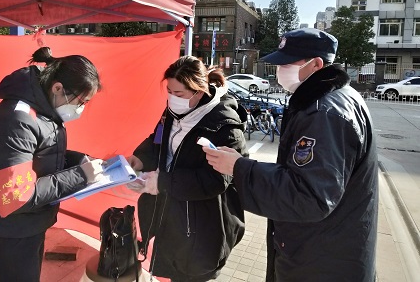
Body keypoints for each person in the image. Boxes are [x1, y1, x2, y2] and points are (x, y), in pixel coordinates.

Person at [203, 28, 378, 282]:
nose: (280, 70)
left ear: (316, 64)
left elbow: (308, 195)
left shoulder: (324, 113)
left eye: (287, 63)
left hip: (322, 262)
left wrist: (239, 168)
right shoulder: (331, 99)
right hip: (324, 250)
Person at [0, 47, 105, 282]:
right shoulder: (15, 120)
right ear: (57, 87)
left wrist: (78, 160)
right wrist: (81, 175)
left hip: (24, 226)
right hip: (6, 232)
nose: (81, 109)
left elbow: (39, 156)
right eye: (80, 101)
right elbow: (14, 196)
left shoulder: (44, 111)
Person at [127, 56, 247, 282]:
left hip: (201, 226)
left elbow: (215, 181)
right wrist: (140, 159)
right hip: (171, 215)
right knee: (173, 270)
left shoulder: (225, 127)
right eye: (169, 92)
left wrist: (161, 182)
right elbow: (158, 140)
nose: (172, 99)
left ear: (199, 91)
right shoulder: (173, 112)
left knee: (190, 274)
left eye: (179, 94)